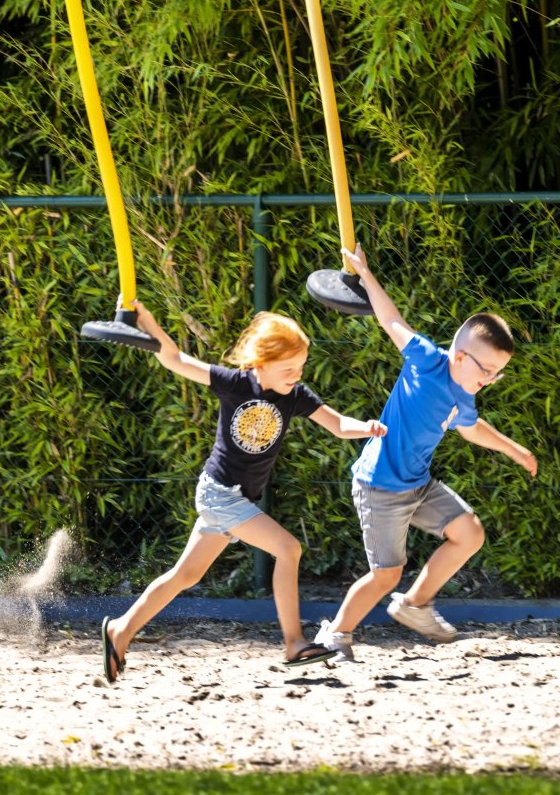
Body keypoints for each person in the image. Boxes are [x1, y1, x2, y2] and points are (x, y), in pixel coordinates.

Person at [98, 301, 385, 681]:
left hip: (234, 500)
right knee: (288, 548)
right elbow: (176, 360)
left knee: (185, 575)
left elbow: (335, 424)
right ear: (261, 363)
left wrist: (366, 428)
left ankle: (120, 629)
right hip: (220, 493)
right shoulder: (236, 384)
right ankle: (294, 642)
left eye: (300, 367)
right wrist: (147, 321)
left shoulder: (294, 395)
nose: (296, 375)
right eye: (288, 369)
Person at [312, 244, 536, 659]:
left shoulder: (465, 395)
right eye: (486, 371)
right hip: (379, 485)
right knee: (385, 574)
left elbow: (472, 430)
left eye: (496, 375)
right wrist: (365, 274)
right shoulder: (426, 361)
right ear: (460, 355)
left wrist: (515, 450)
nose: (490, 380)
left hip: (417, 484)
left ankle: (415, 605)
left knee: (469, 532)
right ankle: (336, 635)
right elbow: (391, 319)